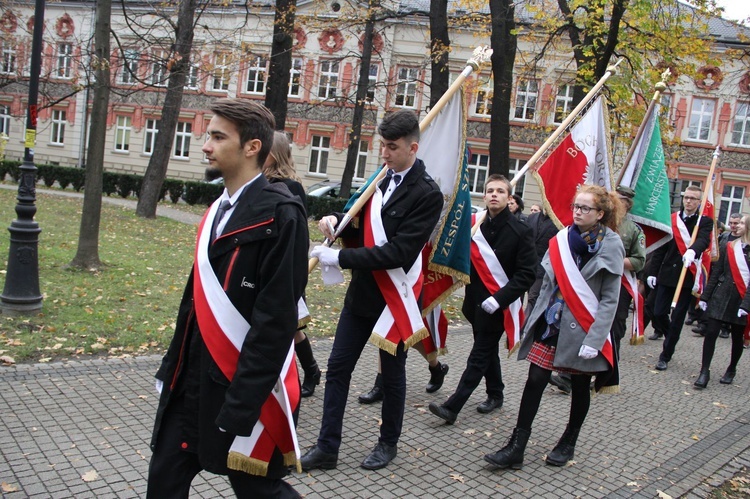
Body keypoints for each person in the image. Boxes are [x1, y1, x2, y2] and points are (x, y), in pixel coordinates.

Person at [147, 99, 308, 498]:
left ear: (252, 147)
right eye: (208, 135)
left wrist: (241, 405)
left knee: (260, 492)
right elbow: (193, 305)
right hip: (190, 383)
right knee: (163, 483)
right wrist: (171, 368)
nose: (206, 146)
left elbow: (275, 323)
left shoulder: (282, 216)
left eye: (218, 137)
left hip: (237, 390)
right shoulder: (218, 208)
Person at [300, 110, 443, 471]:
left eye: (392, 147)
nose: (384, 153)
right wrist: (336, 222)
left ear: (412, 147)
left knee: (393, 376)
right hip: (362, 296)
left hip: (393, 299)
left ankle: (387, 443)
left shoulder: (428, 194)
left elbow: (398, 252)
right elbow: (360, 224)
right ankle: (327, 446)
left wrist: (340, 257)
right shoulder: (379, 180)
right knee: (337, 367)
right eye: (382, 146)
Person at [484, 185, 624, 470]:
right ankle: (516, 446)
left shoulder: (611, 244)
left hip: (585, 328)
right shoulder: (562, 238)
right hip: (553, 321)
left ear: (600, 213)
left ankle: (568, 441)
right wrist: (531, 317)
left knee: (580, 385)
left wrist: (596, 339)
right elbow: (546, 284)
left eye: (585, 208)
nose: (577, 212)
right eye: (576, 206)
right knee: (535, 378)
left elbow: (610, 298)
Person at [428, 175, 536, 424]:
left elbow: (527, 274)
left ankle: (453, 406)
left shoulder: (521, 231)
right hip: (474, 303)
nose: (494, 194)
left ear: (510, 198)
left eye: (500, 191)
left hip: (499, 307)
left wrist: (500, 299)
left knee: (478, 356)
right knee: (486, 352)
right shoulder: (475, 226)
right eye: (490, 191)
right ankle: (496, 393)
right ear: (484, 196)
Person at [263, 131, 322, 398]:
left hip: (287, 267)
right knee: (285, 326)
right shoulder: (258, 182)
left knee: (292, 325)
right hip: (265, 264)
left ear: (273, 154)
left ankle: (310, 371)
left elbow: (299, 235)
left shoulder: (291, 187)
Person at [647, 185, 714, 371]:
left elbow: (703, 240)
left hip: (686, 277)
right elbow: (661, 247)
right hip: (666, 274)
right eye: (686, 198)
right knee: (658, 312)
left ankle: (665, 356)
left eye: (693, 198)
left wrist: (693, 250)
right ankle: (670, 336)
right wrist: (653, 272)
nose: (689, 201)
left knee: (677, 318)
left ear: (699, 202)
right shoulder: (672, 220)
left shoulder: (704, 221)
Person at [693, 214, 750, 388]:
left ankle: (731, 368)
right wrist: (705, 297)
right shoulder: (729, 245)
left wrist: (746, 304)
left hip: (740, 299)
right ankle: (704, 371)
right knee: (711, 333)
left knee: (736, 338)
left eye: (741, 223)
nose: (737, 226)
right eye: (737, 222)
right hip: (721, 296)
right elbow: (716, 272)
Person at [611, 185, 646, 352]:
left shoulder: (633, 229)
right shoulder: (599, 222)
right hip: (595, 281)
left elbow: (639, 261)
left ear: (626, 204)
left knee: (615, 326)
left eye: (618, 199)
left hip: (620, 285)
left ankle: (609, 374)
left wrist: (615, 260)